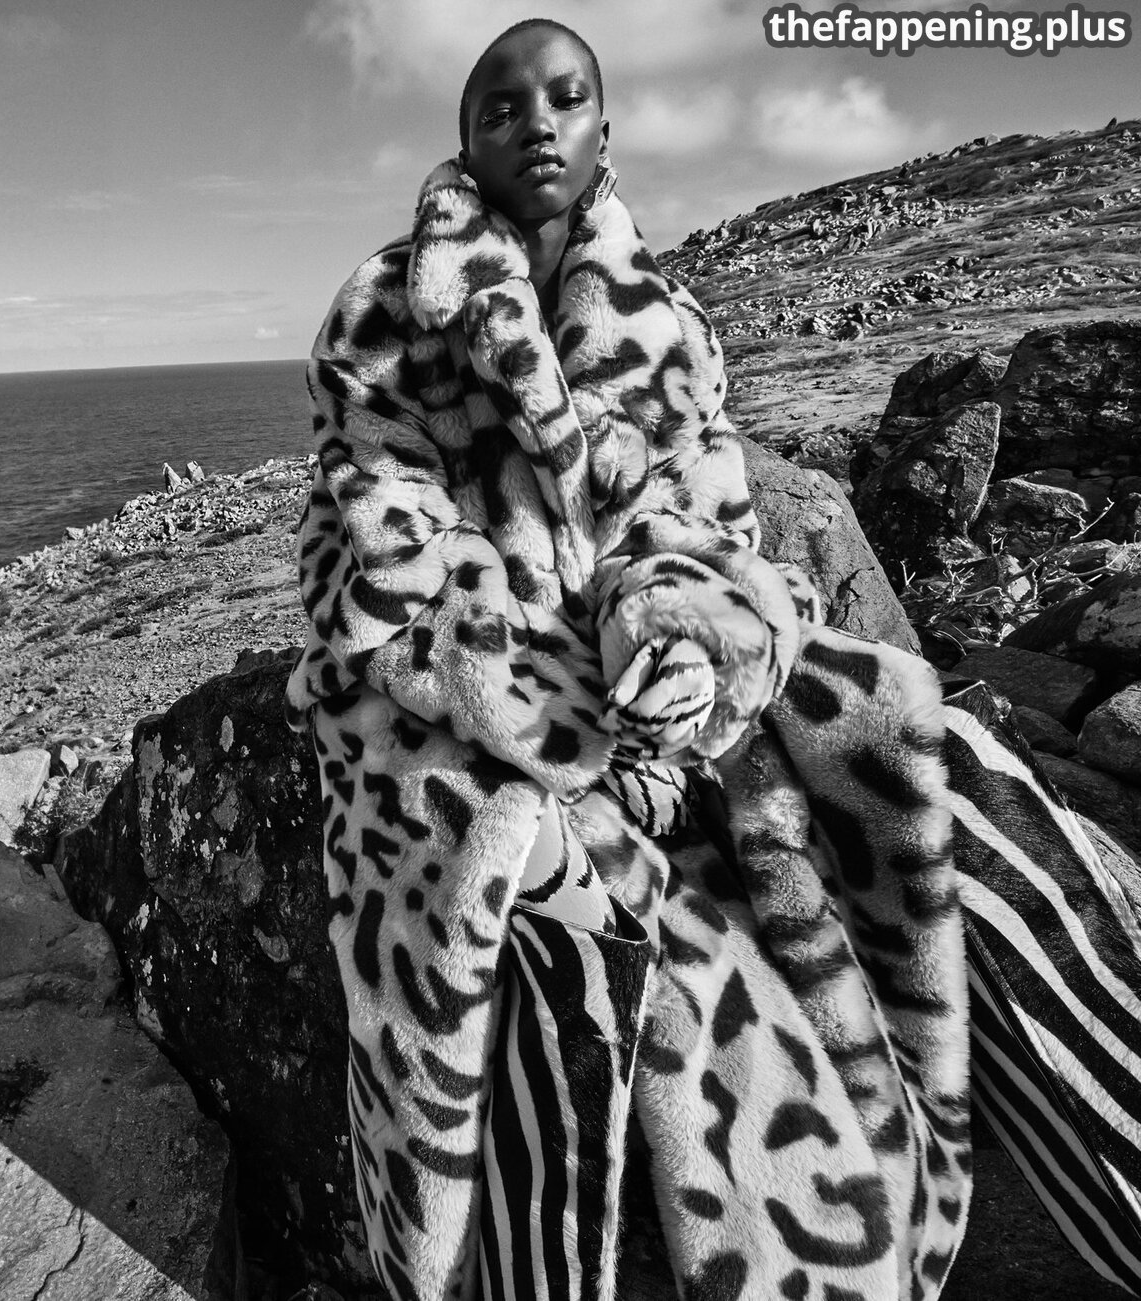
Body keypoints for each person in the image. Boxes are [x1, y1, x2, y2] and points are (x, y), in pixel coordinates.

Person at [285, 18, 1141, 1301]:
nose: (536, 124)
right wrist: (572, 730)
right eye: (501, 107)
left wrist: (682, 651)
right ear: (462, 143)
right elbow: (384, 557)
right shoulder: (384, 313)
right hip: (464, 708)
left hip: (645, 710)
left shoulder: (666, 320)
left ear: (606, 128)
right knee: (586, 910)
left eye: (565, 97)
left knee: (914, 734)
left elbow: (701, 526)